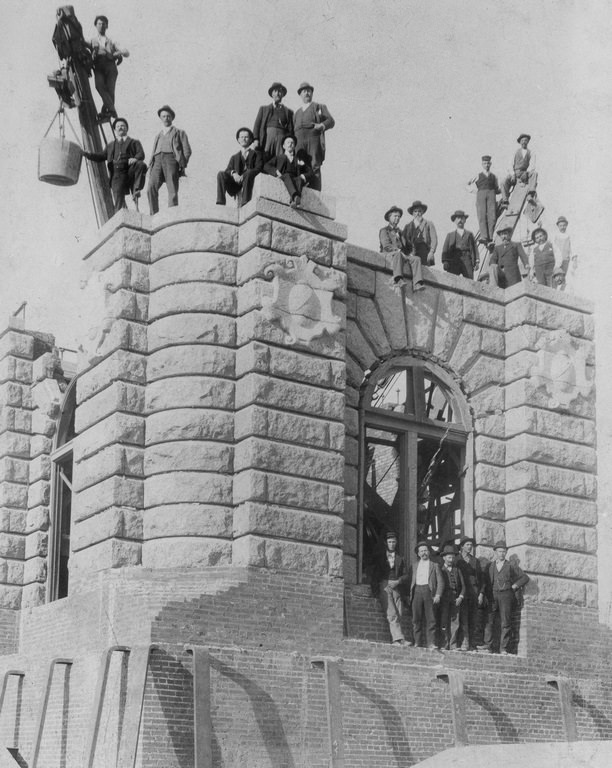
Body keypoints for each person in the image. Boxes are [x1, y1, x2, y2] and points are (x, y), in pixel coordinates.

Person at [82, 117, 147, 213]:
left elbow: (141, 154)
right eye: (118, 126)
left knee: (141, 164)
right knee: (118, 198)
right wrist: (88, 154)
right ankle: (120, 217)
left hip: (130, 170)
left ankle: (136, 189)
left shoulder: (134, 142)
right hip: (117, 174)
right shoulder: (110, 145)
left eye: (123, 126)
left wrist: (135, 158)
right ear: (115, 129)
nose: (120, 128)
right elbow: (101, 156)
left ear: (127, 128)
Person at [479, 541, 529, 655]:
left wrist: (515, 585)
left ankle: (504, 648)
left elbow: (524, 578)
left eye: (504, 552)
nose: (502, 554)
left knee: (505, 622)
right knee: (489, 620)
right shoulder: (490, 566)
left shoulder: (510, 566)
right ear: (495, 552)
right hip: (492, 595)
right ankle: (488, 646)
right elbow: (485, 582)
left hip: (506, 595)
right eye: (500, 551)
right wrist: (483, 593)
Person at [147, 105, 192, 215]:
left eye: (168, 116)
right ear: (160, 118)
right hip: (157, 161)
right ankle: (153, 215)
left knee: (172, 189)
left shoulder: (179, 132)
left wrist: (182, 164)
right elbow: (154, 151)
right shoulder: (158, 135)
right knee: (151, 187)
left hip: (171, 160)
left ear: (172, 118)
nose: (166, 118)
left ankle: (172, 215)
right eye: (163, 116)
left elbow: (187, 150)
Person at [293, 82, 335, 192]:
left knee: (314, 164)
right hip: (299, 141)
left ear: (312, 93)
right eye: (304, 91)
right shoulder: (296, 113)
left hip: (313, 139)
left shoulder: (318, 107)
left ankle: (315, 193)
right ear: (300, 95)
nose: (306, 93)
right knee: (300, 165)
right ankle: (300, 190)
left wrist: (322, 125)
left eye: (309, 91)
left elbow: (331, 121)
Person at [371, 531, 410, 645]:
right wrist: (376, 590)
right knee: (391, 613)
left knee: (399, 612)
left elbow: (406, 575)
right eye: (389, 542)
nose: (392, 544)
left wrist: (398, 581)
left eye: (393, 542)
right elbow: (375, 574)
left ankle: (399, 637)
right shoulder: (381, 557)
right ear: (386, 543)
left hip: (396, 586)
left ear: (396, 543)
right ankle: (397, 639)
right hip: (385, 584)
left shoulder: (400, 558)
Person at [89, 15, 129, 120]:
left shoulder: (112, 41)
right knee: (99, 86)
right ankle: (112, 110)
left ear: (107, 26)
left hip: (110, 67)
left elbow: (126, 52)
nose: (101, 26)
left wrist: (116, 54)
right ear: (95, 25)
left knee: (110, 91)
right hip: (98, 68)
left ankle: (105, 111)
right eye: (99, 24)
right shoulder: (92, 41)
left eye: (103, 24)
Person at [379, 207, 425, 292]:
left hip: (402, 255)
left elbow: (407, 245)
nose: (397, 218)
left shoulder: (400, 232)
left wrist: (411, 253)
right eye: (395, 216)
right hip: (390, 254)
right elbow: (386, 246)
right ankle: (398, 280)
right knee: (398, 254)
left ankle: (417, 283)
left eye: (399, 216)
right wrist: (398, 251)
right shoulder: (384, 230)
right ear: (389, 217)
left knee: (416, 259)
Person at [216, 127, 264, 207]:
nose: (243, 139)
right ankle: (220, 202)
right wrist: (234, 173)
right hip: (235, 184)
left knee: (248, 172)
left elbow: (258, 168)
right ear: (238, 140)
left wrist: (245, 175)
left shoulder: (256, 154)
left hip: (249, 180)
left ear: (250, 139)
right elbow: (228, 170)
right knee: (221, 174)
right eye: (241, 137)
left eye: (246, 137)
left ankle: (245, 203)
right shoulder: (234, 157)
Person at [410, 541, 444, 649]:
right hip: (417, 591)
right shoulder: (414, 566)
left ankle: (431, 643)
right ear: (418, 554)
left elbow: (441, 581)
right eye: (421, 551)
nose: (424, 553)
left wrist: (438, 594)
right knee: (416, 618)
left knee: (431, 619)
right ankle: (417, 642)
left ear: (429, 552)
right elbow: (410, 580)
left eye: (425, 550)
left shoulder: (435, 565)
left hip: (429, 591)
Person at [263, 134, 313, 208]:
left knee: (299, 179)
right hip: (284, 176)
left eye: (292, 143)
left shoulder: (298, 159)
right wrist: (275, 171)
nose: (290, 144)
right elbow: (266, 166)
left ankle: (294, 201)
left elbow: (310, 172)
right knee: (287, 175)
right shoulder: (279, 157)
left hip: (295, 178)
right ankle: (296, 196)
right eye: (288, 142)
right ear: (284, 146)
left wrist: (303, 176)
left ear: (294, 146)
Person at [455, 536, 484, 651]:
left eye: (471, 545)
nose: (470, 547)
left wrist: (481, 593)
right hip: (461, 593)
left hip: (473, 594)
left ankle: (471, 644)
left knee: (472, 619)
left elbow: (481, 579)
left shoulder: (475, 561)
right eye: (467, 545)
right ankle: (461, 642)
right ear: (462, 546)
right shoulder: (457, 559)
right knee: (462, 619)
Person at [253, 82, 294, 159]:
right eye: (275, 91)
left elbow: (290, 129)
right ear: (272, 94)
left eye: (280, 91)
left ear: (283, 94)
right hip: (267, 137)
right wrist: (256, 139)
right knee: (265, 158)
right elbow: (257, 125)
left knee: (280, 159)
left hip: (281, 138)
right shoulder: (263, 109)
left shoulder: (288, 112)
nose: (277, 94)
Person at [467, 155, 500, 244]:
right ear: (482, 164)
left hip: (491, 194)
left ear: (490, 164)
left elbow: (497, 188)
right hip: (481, 194)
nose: (486, 165)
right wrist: (474, 191)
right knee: (481, 215)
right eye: (485, 163)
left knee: (492, 216)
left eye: (488, 163)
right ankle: (484, 236)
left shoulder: (494, 176)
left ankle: (490, 236)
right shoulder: (478, 175)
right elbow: (467, 184)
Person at [439, 545, 466, 650]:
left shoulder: (457, 570)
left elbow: (463, 586)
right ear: (444, 558)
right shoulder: (440, 569)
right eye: (449, 557)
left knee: (455, 622)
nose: (451, 560)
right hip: (444, 599)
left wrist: (460, 597)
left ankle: (453, 644)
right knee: (444, 621)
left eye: (453, 557)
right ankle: (444, 643)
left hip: (455, 599)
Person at [441, 211, 479, 279]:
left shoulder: (469, 234)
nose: (460, 220)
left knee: (469, 280)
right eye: (458, 218)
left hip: (467, 258)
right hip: (454, 259)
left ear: (465, 220)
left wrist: (477, 261)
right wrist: (445, 261)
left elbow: (474, 248)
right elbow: (445, 249)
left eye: (462, 218)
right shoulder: (450, 235)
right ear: (455, 221)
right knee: (451, 279)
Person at [501, 133, 537, 206]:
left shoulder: (531, 152)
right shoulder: (515, 152)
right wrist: (513, 174)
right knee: (503, 182)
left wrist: (527, 172)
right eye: (522, 140)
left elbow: (532, 165)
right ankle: (505, 201)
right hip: (515, 172)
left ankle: (530, 194)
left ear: (528, 142)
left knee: (535, 173)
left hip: (524, 173)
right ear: (520, 142)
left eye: (526, 140)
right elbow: (510, 164)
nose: (524, 142)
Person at [403, 201, 438, 266]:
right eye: (415, 211)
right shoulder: (407, 226)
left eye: (419, 211)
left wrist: (431, 252)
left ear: (422, 212)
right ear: (412, 213)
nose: (417, 213)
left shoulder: (428, 224)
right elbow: (403, 240)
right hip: (411, 252)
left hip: (424, 251)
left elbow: (434, 239)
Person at [553, 216, 575, 284]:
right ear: (558, 226)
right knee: (556, 276)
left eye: (564, 225)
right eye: (560, 226)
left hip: (566, 260)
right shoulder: (556, 236)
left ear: (566, 225)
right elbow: (553, 248)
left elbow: (572, 248)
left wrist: (574, 258)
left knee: (564, 276)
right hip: (557, 260)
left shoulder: (569, 236)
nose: (562, 227)